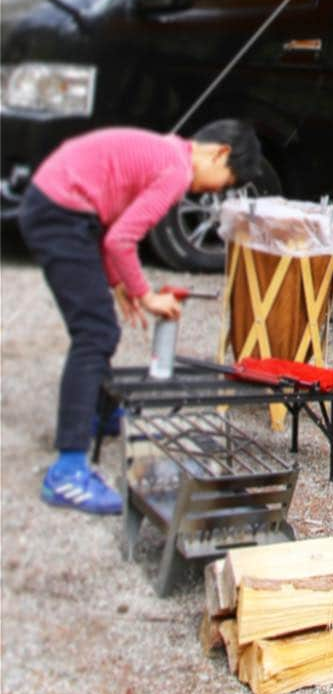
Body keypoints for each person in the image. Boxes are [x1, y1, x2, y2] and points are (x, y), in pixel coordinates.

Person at [18, 120, 264, 515]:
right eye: (223, 181)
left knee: (99, 328)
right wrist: (146, 296)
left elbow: (112, 218)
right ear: (219, 153)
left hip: (62, 206)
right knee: (95, 333)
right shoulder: (177, 169)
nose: (212, 191)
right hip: (60, 213)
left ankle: (96, 416)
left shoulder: (166, 151)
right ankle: (67, 470)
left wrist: (119, 281)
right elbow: (121, 239)